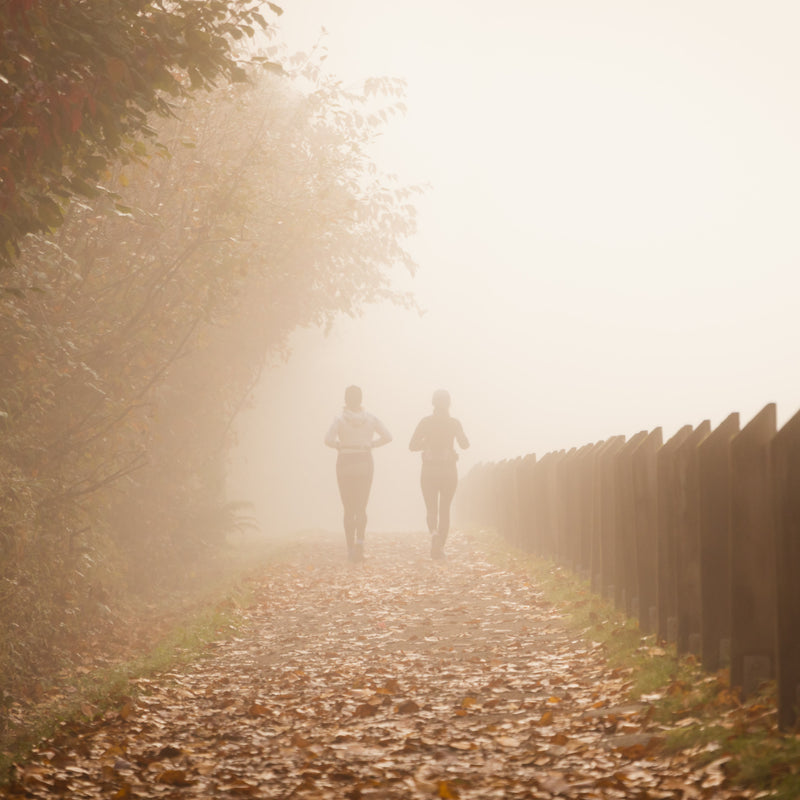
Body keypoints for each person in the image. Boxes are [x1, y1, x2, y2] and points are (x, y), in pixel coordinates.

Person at [325, 385, 392, 562]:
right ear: (361, 399)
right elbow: (387, 436)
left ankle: (349, 549)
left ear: (346, 400)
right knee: (361, 506)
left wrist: (340, 445)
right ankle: (360, 544)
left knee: (348, 508)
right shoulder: (371, 419)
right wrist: (371, 444)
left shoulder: (339, 419)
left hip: (345, 463)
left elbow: (328, 440)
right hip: (364, 462)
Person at [409, 389, 470, 559]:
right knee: (445, 509)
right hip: (448, 470)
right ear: (449, 403)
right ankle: (440, 548)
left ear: (433, 403)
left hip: (429, 469)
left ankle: (434, 534)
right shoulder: (454, 423)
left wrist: (426, 443)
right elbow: (465, 444)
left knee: (431, 508)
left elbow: (412, 445)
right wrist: (458, 436)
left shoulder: (425, 422)